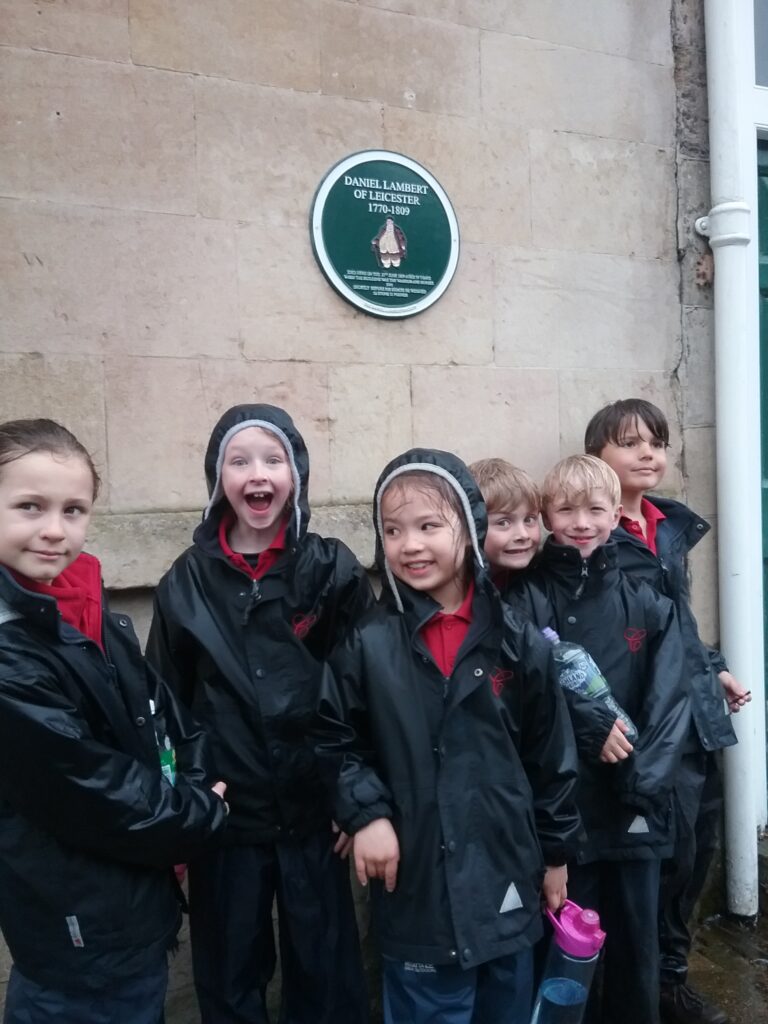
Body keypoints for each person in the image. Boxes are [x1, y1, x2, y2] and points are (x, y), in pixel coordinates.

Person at [314, 447, 582, 1024]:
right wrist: (366, 815)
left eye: (428, 526)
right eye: (392, 530)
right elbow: (336, 739)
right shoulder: (367, 644)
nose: (410, 545)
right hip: (417, 889)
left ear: (467, 529)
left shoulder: (519, 642)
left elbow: (551, 757)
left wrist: (556, 854)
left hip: (507, 876)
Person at [146, 403, 372, 1024]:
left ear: (296, 472)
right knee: (229, 973)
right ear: (218, 479)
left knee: (325, 973)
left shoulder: (332, 568)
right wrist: (183, 809)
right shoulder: (185, 583)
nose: (258, 476)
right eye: (239, 462)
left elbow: (369, 692)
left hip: (315, 811)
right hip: (227, 817)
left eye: (273, 460)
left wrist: (362, 798)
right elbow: (163, 705)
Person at [0, 418, 228, 1024]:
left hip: (130, 912)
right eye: (30, 507)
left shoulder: (85, 607)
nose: (55, 530)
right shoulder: (9, 650)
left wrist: (199, 776)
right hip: (76, 930)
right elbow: (86, 784)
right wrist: (202, 811)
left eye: (74, 510)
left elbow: (165, 715)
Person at [504, 454, 689, 1024]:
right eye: (565, 510)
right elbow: (528, 693)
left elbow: (673, 693)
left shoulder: (646, 599)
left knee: (637, 945)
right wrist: (588, 730)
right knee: (567, 948)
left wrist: (645, 777)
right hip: (570, 808)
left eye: (594, 509)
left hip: (636, 803)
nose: (581, 522)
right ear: (546, 517)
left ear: (616, 516)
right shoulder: (527, 598)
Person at [585, 398, 751, 1024]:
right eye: (630, 443)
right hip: (647, 724)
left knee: (693, 851)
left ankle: (671, 980)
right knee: (655, 860)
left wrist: (715, 667)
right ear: (597, 455)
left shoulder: (669, 527)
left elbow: (680, 622)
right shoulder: (594, 533)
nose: (648, 454)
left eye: (657, 442)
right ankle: (643, 983)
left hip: (697, 714)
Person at [469, 458, 542, 583]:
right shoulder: (457, 592)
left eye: (529, 520)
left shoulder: (539, 574)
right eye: (503, 522)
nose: (523, 535)